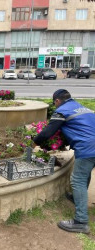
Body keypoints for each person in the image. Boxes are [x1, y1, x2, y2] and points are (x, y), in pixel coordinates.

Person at [33, 89, 95, 234]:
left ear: (57, 101)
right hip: (92, 146)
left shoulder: (62, 111)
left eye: (55, 104)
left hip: (88, 148)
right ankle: (77, 198)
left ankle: (81, 221)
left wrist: (35, 143)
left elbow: (48, 132)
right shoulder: (83, 108)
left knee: (77, 180)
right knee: (84, 173)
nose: (55, 106)